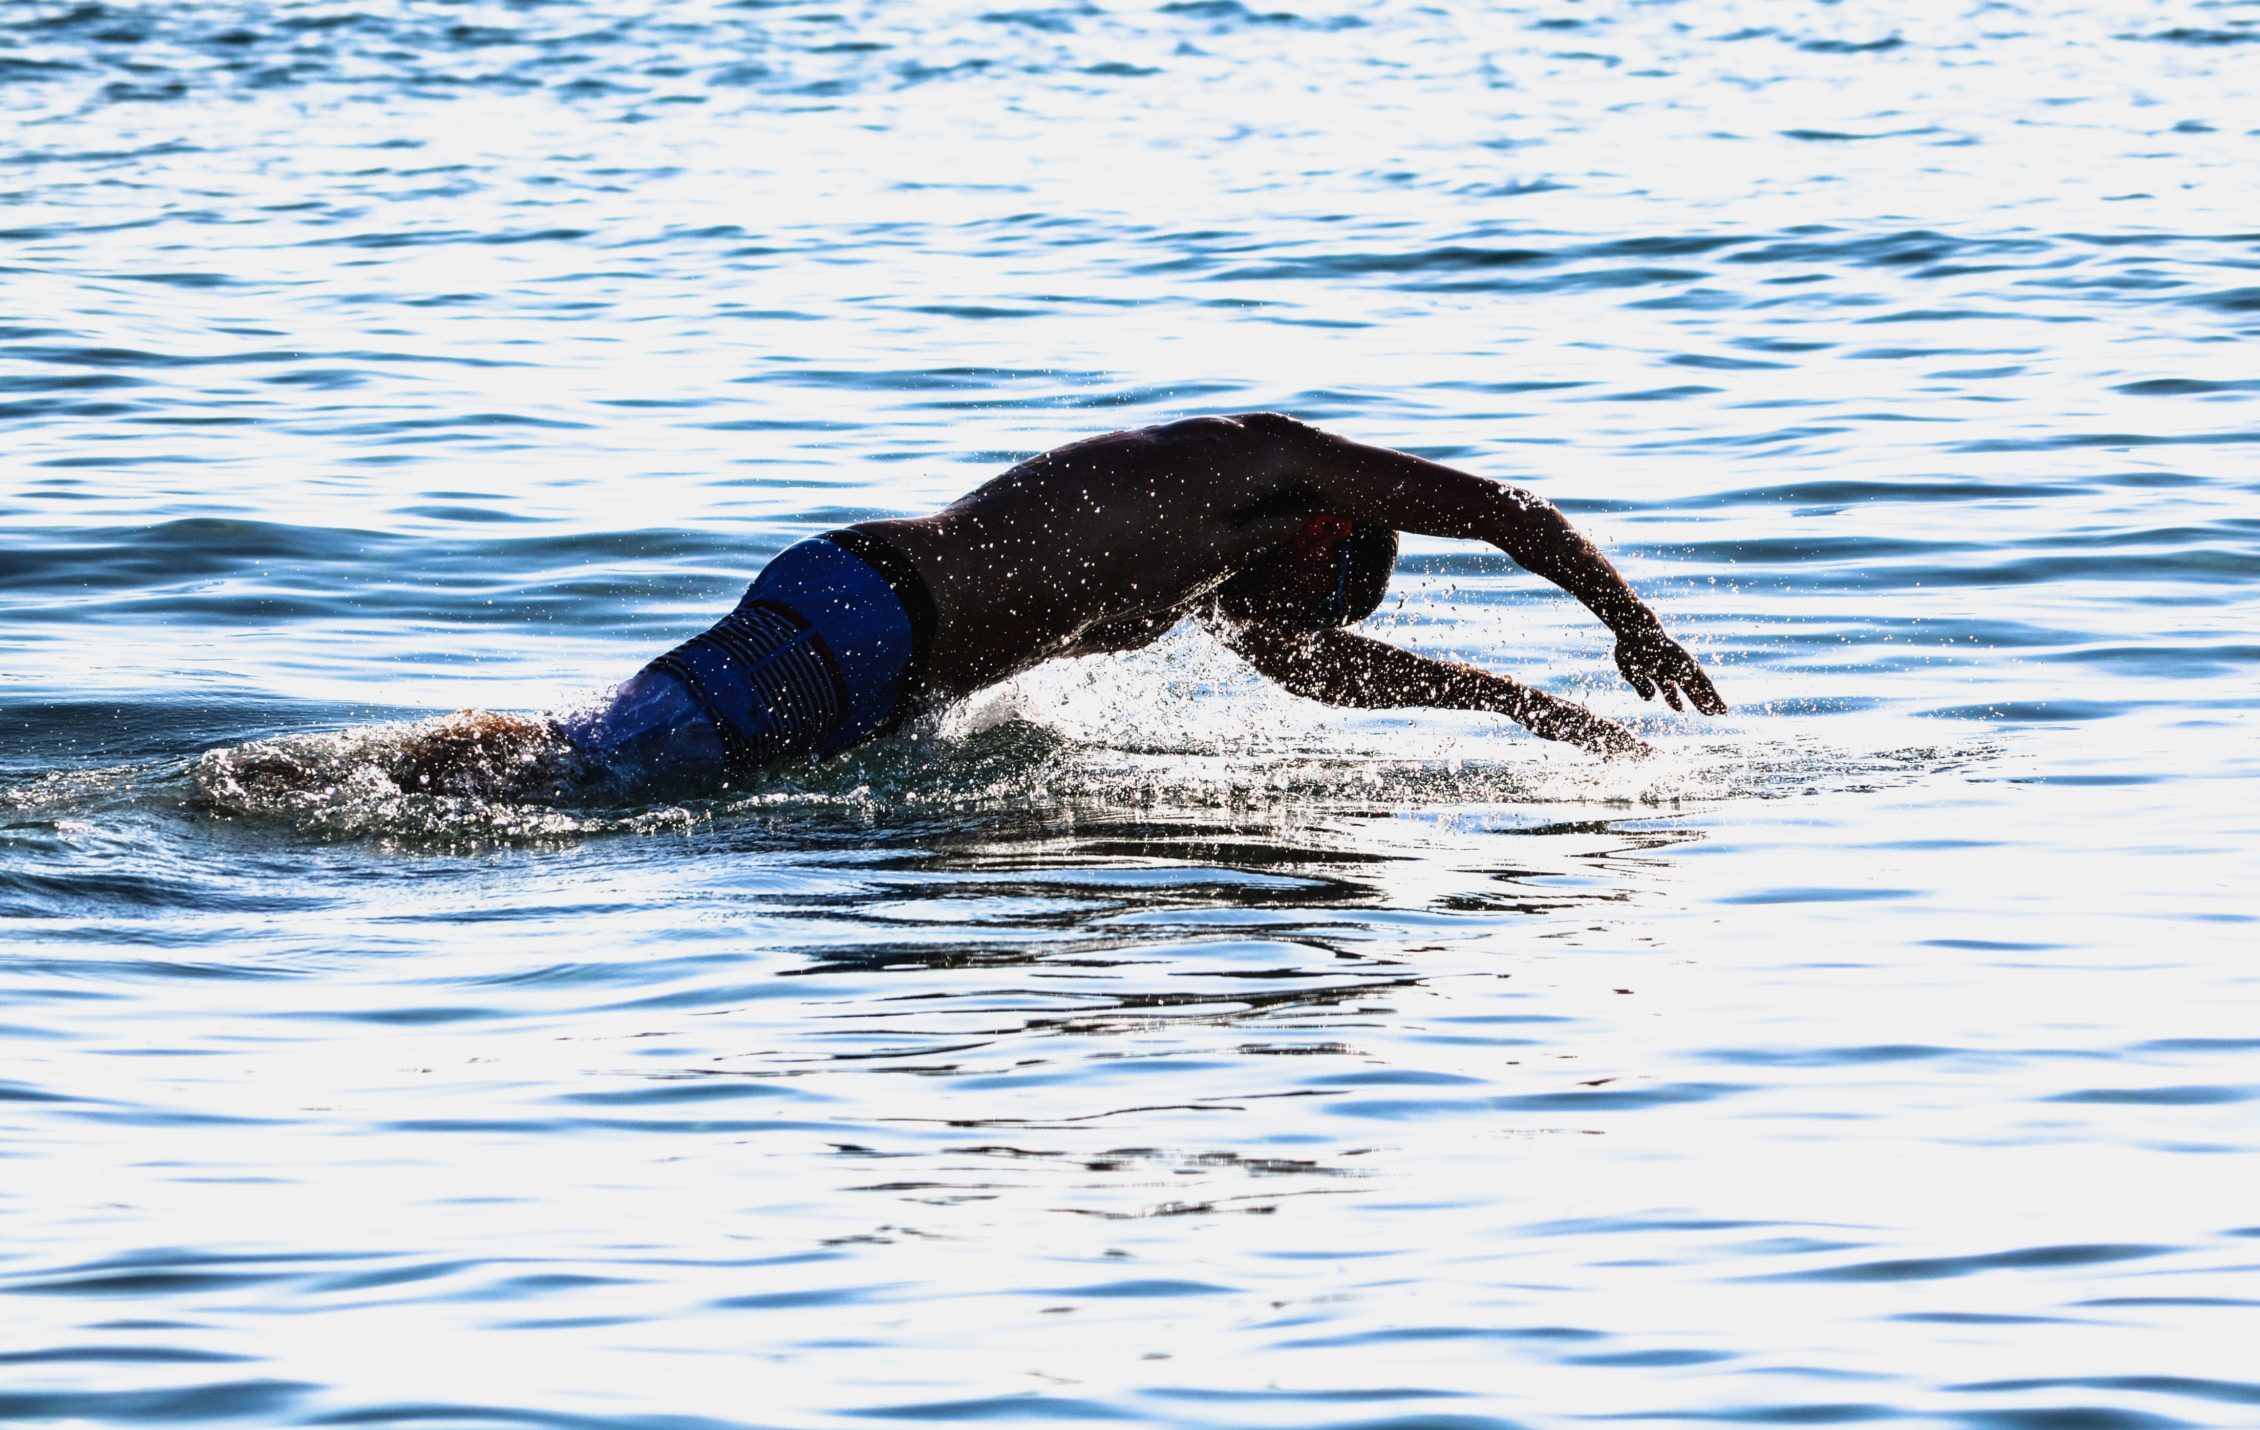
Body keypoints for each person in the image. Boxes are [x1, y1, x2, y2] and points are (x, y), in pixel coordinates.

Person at [395, 413, 1724, 797]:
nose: (1278, 622)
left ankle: (370, 774)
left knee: (593, 766)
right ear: (1334, 530)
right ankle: (303, 786)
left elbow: (1322, 672)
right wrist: (1629, 622)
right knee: (584, 780)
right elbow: (1503, 508)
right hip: (874, 619)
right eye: (1316, 593)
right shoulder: (1261, 462)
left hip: (867, 629)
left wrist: (1528, 709)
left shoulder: (1225, 575)